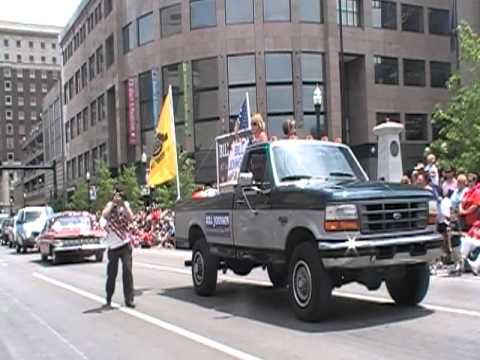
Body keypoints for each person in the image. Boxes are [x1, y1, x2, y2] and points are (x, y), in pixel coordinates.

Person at [100, 189, 136, 308]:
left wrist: (123, 205)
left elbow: (131, 217)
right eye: (116, 196)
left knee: (127, 272)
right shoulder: (109, 206)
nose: (118, 198)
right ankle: (109, 297)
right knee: (112, 273)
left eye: (119, 196)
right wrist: (112, 204)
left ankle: (129, 299)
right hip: (113, 247)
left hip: (125, 244)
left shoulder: (125, 206)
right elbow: (104, 215)